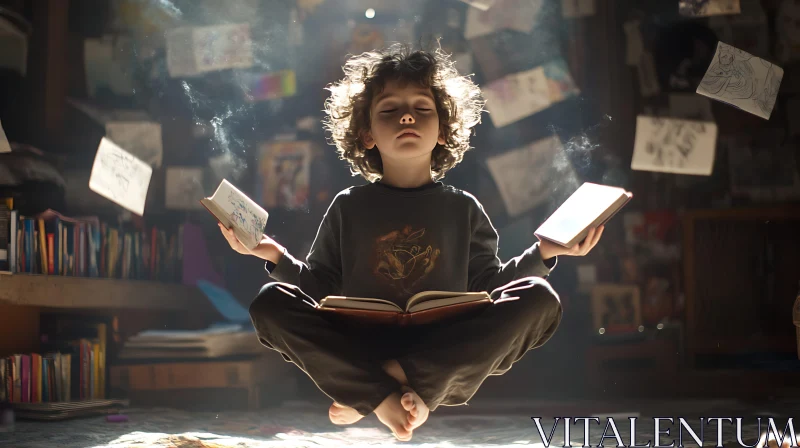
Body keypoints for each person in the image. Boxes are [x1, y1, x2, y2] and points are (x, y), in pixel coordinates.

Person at [219, 44, 604, 441]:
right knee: (269, 302)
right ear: (366, 134)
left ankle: (380, 387)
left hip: (444, 348)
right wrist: (271, 254)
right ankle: (384, 391)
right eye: (389, 110)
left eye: (423, 108)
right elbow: (319, 290)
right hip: (361, 342)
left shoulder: (463, 208)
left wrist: (546, 252)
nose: (407, 115)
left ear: (443, 130)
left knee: (541, 299)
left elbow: (490, 289)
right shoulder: (347, 206)